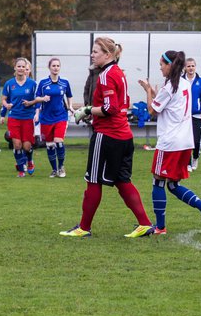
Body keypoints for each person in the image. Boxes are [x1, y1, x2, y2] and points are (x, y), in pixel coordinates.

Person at [60, 37, 155, 238]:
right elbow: (123, 104)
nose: (92, 55)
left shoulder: (105, 75)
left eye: (96, 51)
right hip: (124, 136)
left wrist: (86, 110)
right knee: (122, 180)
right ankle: (145, 224)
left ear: (108, 55)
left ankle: (84, 228)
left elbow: (109, 108)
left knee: (93, 180)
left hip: (107, 136)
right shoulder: (119, 73)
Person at [137, 50, 201, 235]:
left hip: (170, 142)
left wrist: (148, 91)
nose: (160, 67)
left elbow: (152, 110)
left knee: (158, 182)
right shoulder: (184, 84)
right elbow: (167, 103)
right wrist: (155, 93)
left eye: (162, 64)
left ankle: (160, 227)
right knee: (172, 185)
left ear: (171, 65)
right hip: (185, 141)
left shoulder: (170, 87)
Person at [0, 57, 39, 177]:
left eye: (23, 66)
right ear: (15, 68)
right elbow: (4, 100)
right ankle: (21, 170)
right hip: (14, 117)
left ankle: (30, 161)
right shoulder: (9, 84)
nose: (21, 68)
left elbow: (37, 100)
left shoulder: (32, 84)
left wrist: (36, 113)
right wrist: (7, 106)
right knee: (17, 145)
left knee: (27, 146)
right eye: (19, 66)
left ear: (26, 69)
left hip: (27, 118)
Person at [35, 57, 74, 177]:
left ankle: (61, 167)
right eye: (53, 66)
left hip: (61, 116)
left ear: (60, 67)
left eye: (58, 66)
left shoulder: (65, 82)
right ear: (49, 67)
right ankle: (54, 169)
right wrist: (37, 112)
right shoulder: (43, 83)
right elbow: (37, 99)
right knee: (50, 145)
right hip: (46, 118)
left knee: (58, 141)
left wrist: (70, 106)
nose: (56, 68)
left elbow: (69, 95)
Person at [184, 58, 201, 172]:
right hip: (184, 115)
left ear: (195, 67)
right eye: (188, 66)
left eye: (192, 66)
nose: (190, 68)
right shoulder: (181, 81)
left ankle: (195, 158)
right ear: (185, 67)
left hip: (197, 115)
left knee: (196, 140)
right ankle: (187, 163)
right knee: (185, 140)